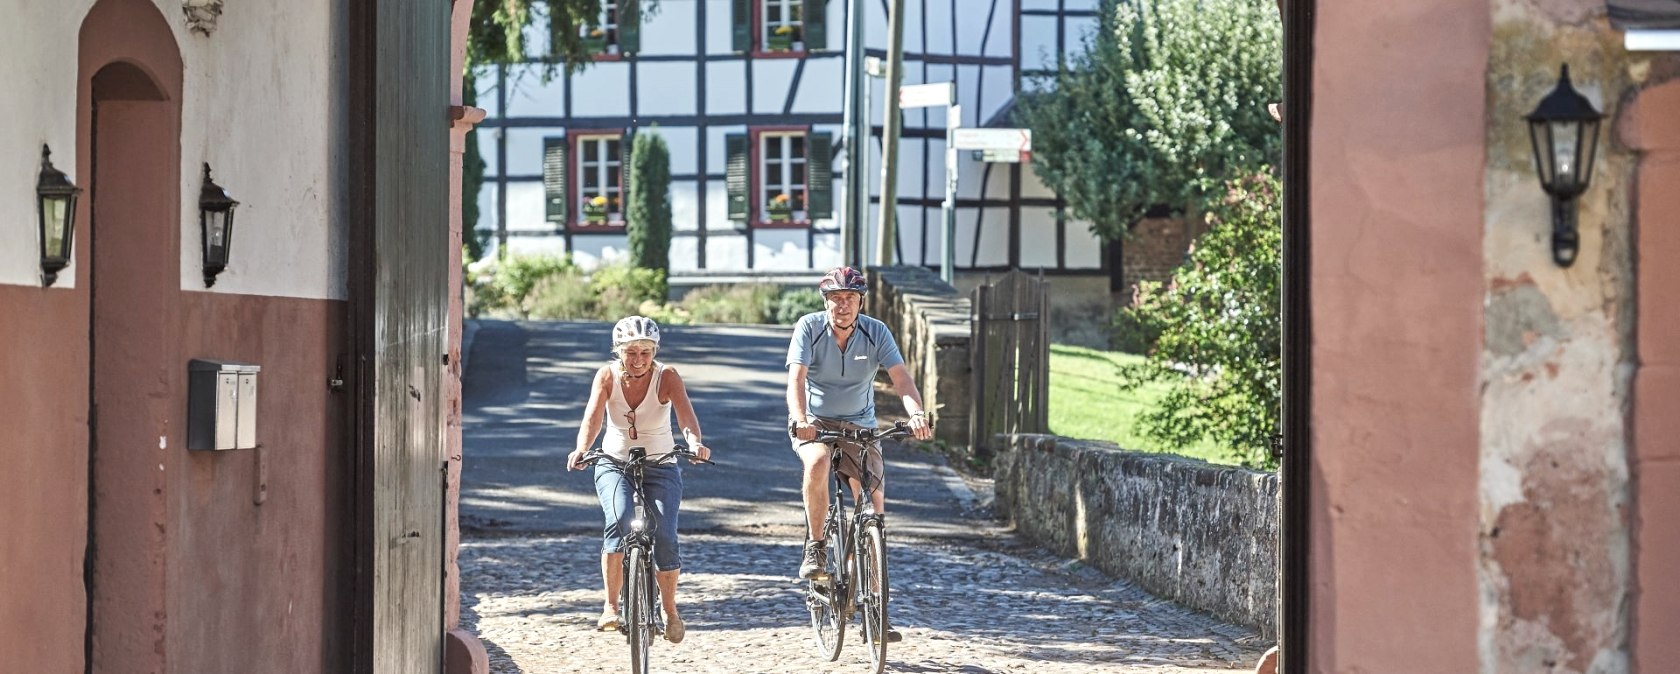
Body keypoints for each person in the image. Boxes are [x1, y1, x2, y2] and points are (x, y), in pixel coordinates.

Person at [785, 266, 934, 643]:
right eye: (835, 298)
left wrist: (915, 412)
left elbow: (901, 378)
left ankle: (874, 610)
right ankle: (817, 547)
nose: (842, 305)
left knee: (874, 510)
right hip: (815, 422)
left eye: (850, 298)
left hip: (860, 426)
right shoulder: (809, 327)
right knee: (817, 462)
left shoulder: (876, 331)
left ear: (861, 301)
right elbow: (796, 380)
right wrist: (801, 419)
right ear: (825, 302)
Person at [568, 315, 711, 644]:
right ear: (618, 352)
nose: (638, 360)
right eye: (631, 352)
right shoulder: (606, 376)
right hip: (615, 462)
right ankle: (610, 605)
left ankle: (670, 610)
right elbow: (592, 416)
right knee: (618, 519)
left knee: (664, 532)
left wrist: (694, 443)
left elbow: (686, 416)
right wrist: (582, 449)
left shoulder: (668, 376)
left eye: (645, 352)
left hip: (660, 463)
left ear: (654, 351)